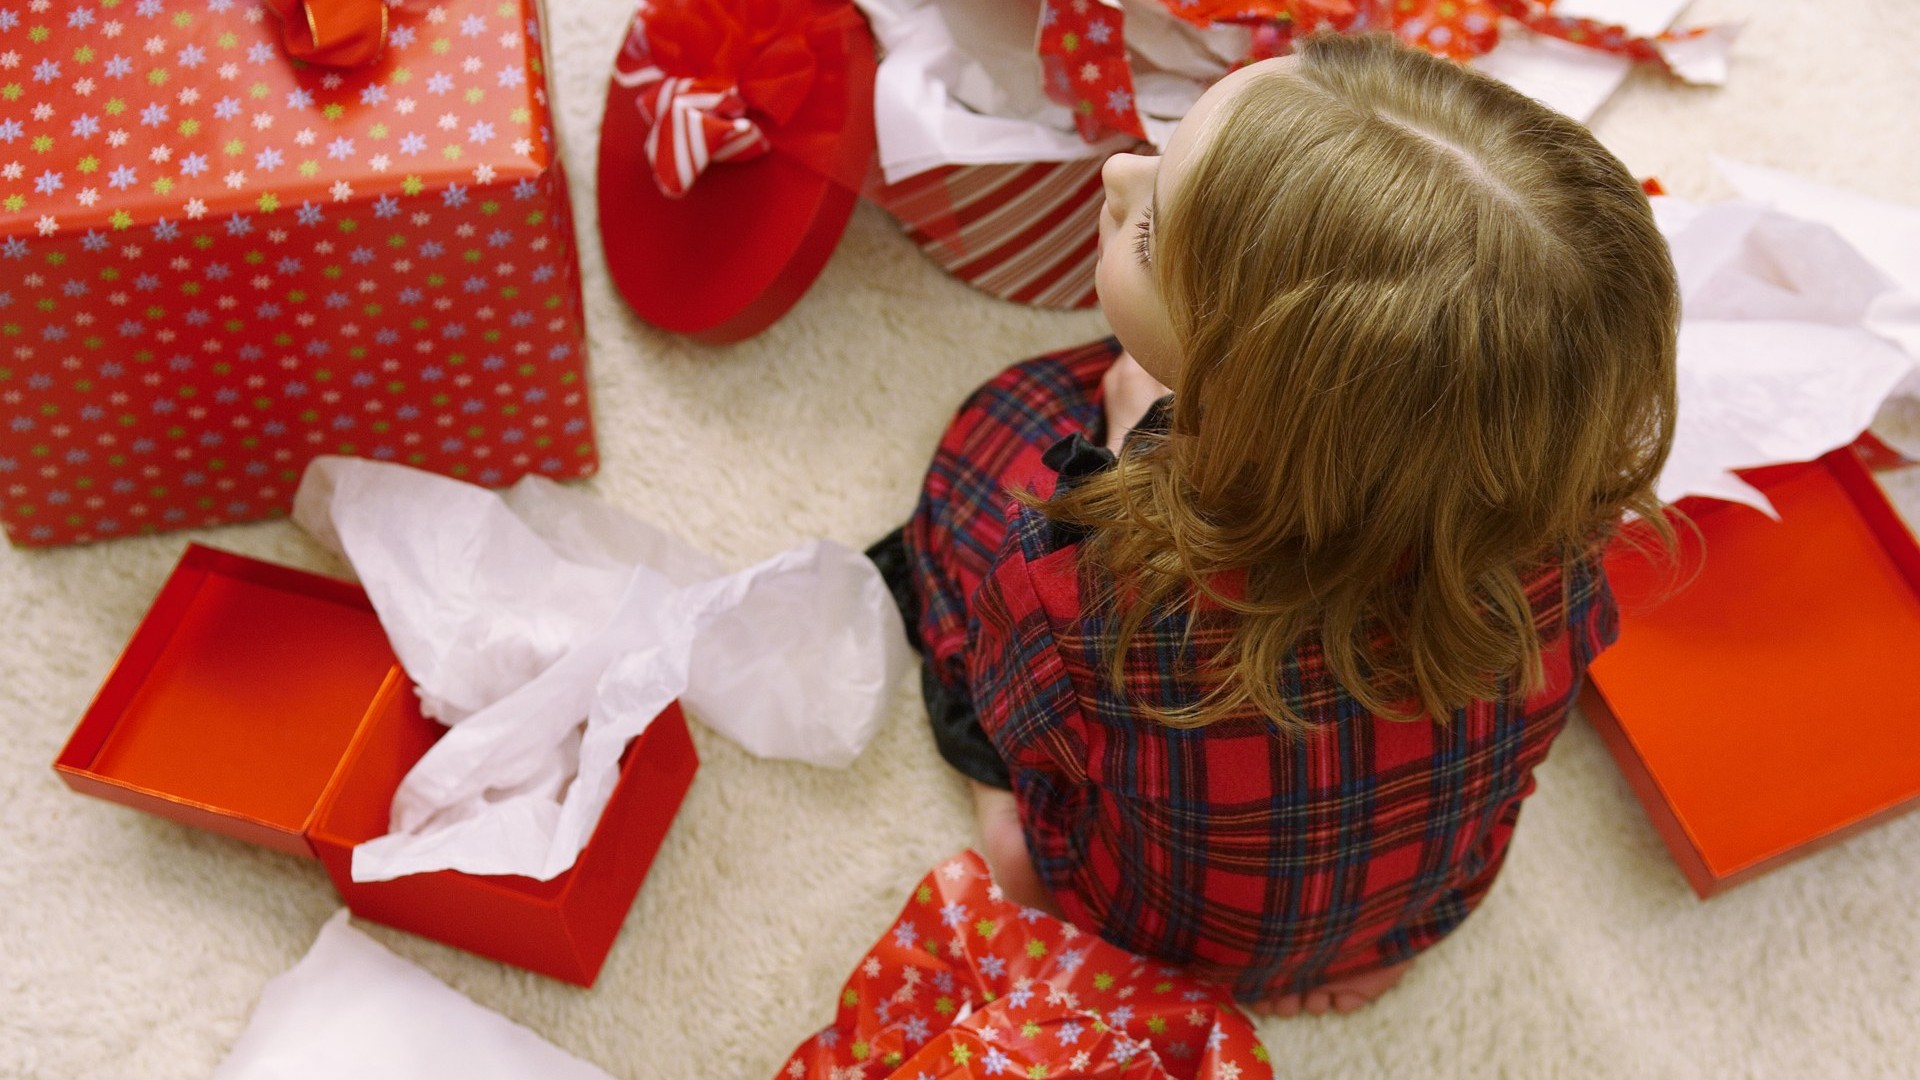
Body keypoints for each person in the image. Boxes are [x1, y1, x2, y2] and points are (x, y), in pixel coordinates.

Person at [870, 31, 1678, 1017]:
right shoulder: (1569, 539)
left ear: (1262, 403)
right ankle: (1349, 957)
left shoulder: (1089, 599)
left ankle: (1015, 855)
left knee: (997, 436)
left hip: (1147, 931)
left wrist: (1133, 447)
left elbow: (1021, 724)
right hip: (1415, 915)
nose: (1121, 172)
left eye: (1153, 234)